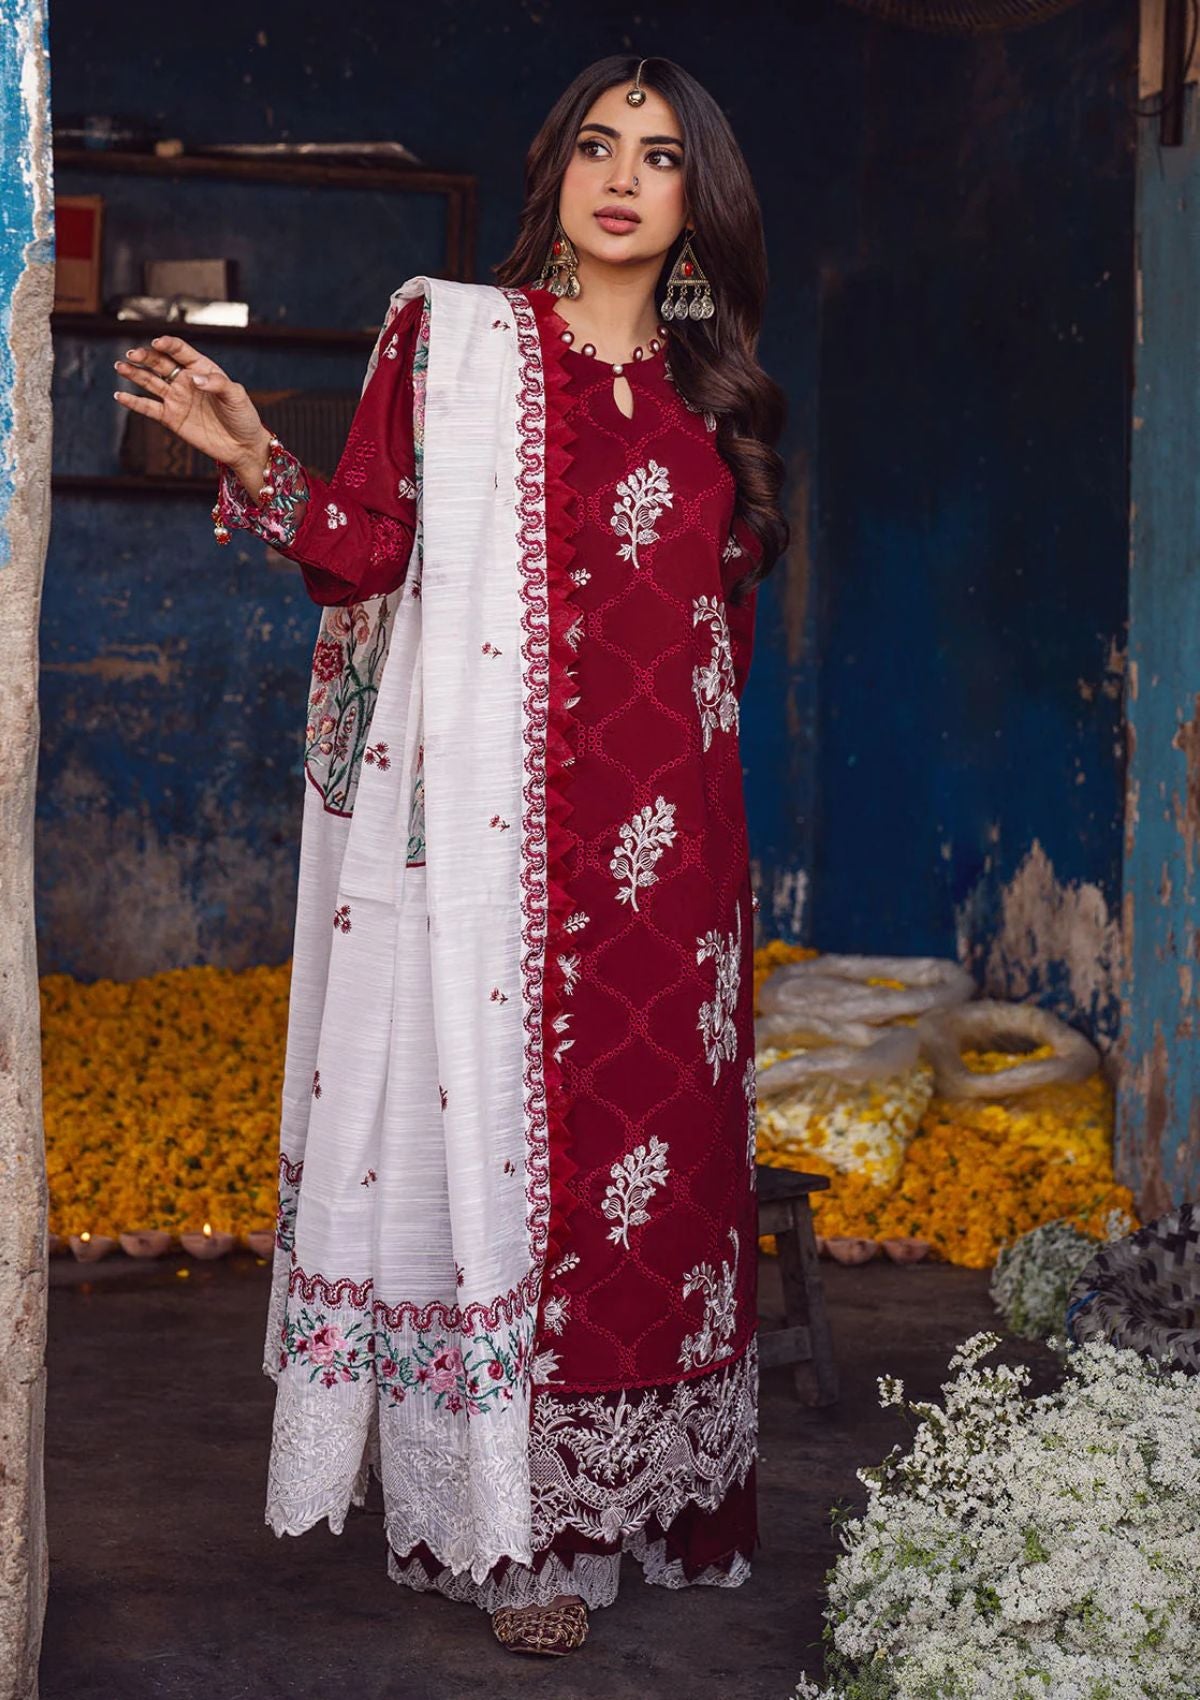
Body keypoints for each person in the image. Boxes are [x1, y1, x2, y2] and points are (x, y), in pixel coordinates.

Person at [112, 53, 787, 1659]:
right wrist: (251, 451)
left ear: (701, 205)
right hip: (500, 870)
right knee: (510, 1175)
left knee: (662, 1193)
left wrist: (686, 856)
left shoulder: (719, 402)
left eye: (662, 156)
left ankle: (646, 1502)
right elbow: (371, 552)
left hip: (679, 881)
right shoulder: (460, 346)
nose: (622, 177)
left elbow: (723, 647)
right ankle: (512, 1527)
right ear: (556, 172)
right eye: (598, 146)